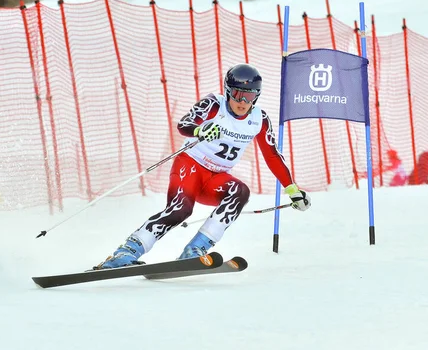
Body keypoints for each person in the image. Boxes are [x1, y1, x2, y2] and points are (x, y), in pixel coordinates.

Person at [94, 64, 311, 269]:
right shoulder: (214, 105)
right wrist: (199, 130)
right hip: (190, 167)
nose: (243, 101)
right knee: (181, 210)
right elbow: (185, 124)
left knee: (240, 191)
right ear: (228, 91)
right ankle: (126, 252)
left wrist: (292, 189)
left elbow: (272, 155)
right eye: (237, 94)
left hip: (215, 178)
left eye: (250, 95)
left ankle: (195, 250)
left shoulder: (259, 119)